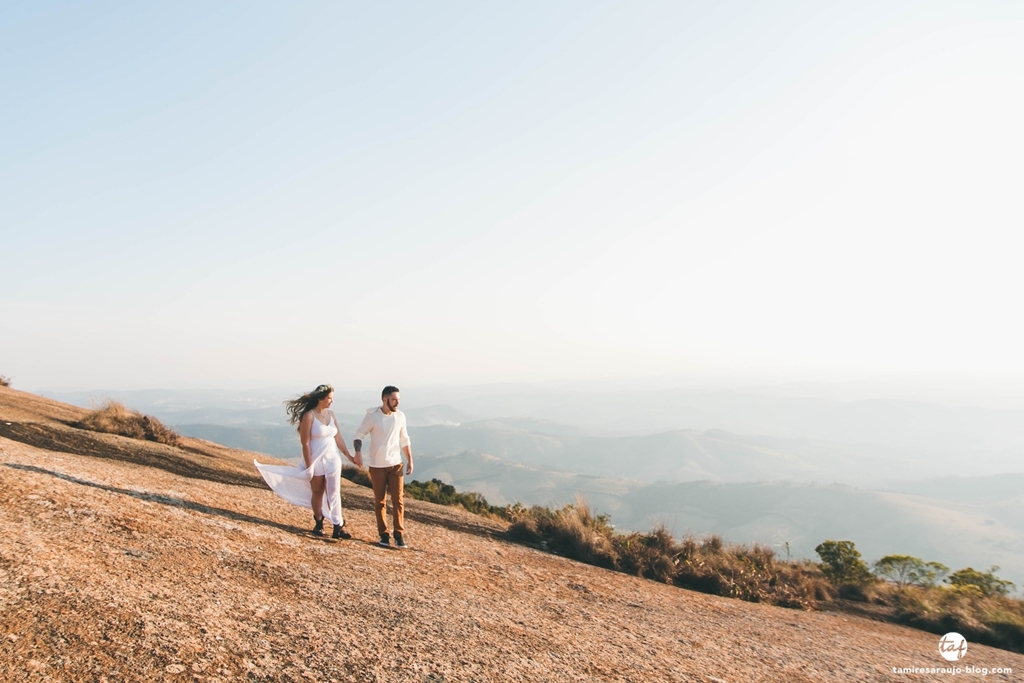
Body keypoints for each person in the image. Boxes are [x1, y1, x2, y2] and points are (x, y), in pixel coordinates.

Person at [254, 384, 362, 539]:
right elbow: (305, 443)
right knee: (317, 492)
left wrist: (349, 457)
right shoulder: (309, 416)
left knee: (334, 492)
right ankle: (319, 522)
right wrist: (309, 465)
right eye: (329, 398)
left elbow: (338, 438)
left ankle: (338, 526)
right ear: (320, 398)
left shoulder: (331, 414)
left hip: (333, 458)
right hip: (316, 459)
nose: (331, 402)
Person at [353, 385, 413, 549]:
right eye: (394, 399)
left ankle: (399, 535)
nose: (397, 403)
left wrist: (410, 459)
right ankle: (384, 535)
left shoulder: (400, 416)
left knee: (398, 500)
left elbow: (404, 439)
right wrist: (358, 452)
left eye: (398, 400)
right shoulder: (372, 416)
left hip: (396, 464)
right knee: (380, 502)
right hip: (377, 466)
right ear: (384, 399)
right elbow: (359, 435)